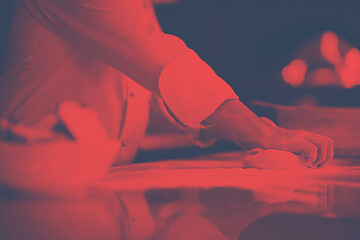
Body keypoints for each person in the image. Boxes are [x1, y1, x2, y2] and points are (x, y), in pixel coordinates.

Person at [0, 0, 333, 167]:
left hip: (88, 183)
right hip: (30, 180)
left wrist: (237, 126)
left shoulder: (137, 5)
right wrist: (263, 134)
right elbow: (163, 62)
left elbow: (149, 95)